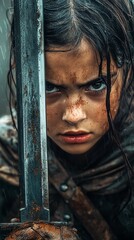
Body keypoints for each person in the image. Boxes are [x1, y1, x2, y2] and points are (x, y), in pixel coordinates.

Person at [0, 0, 134, 239]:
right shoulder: (5, 156)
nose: (73, 115)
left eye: (96, 84)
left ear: (127, 73)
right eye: (50, 87)